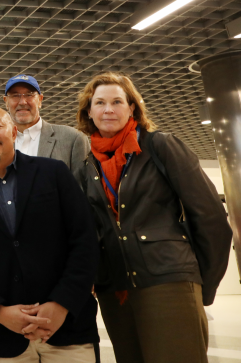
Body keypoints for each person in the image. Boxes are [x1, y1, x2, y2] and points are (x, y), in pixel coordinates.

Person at [74, 72, 232, 363]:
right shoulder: (87, 167)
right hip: (116, 291)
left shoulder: (160, 146)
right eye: (100, 103)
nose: (109, 109)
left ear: (132, 108)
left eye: (117, 101)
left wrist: (202, 284)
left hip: (168, 284)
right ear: (89, 111)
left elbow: (211, 217)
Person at [0, 105, 100, 362]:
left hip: (68, 329)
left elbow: (84, 241)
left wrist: (61, 304)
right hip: (5, 337)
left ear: (14, 131)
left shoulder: (54, 173)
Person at [3, 75, 88, 175]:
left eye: (29, 95)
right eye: (15, 95)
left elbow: (83, 187)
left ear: (40, 100)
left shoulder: (72, 138)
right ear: (6, 102)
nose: (22, 102)